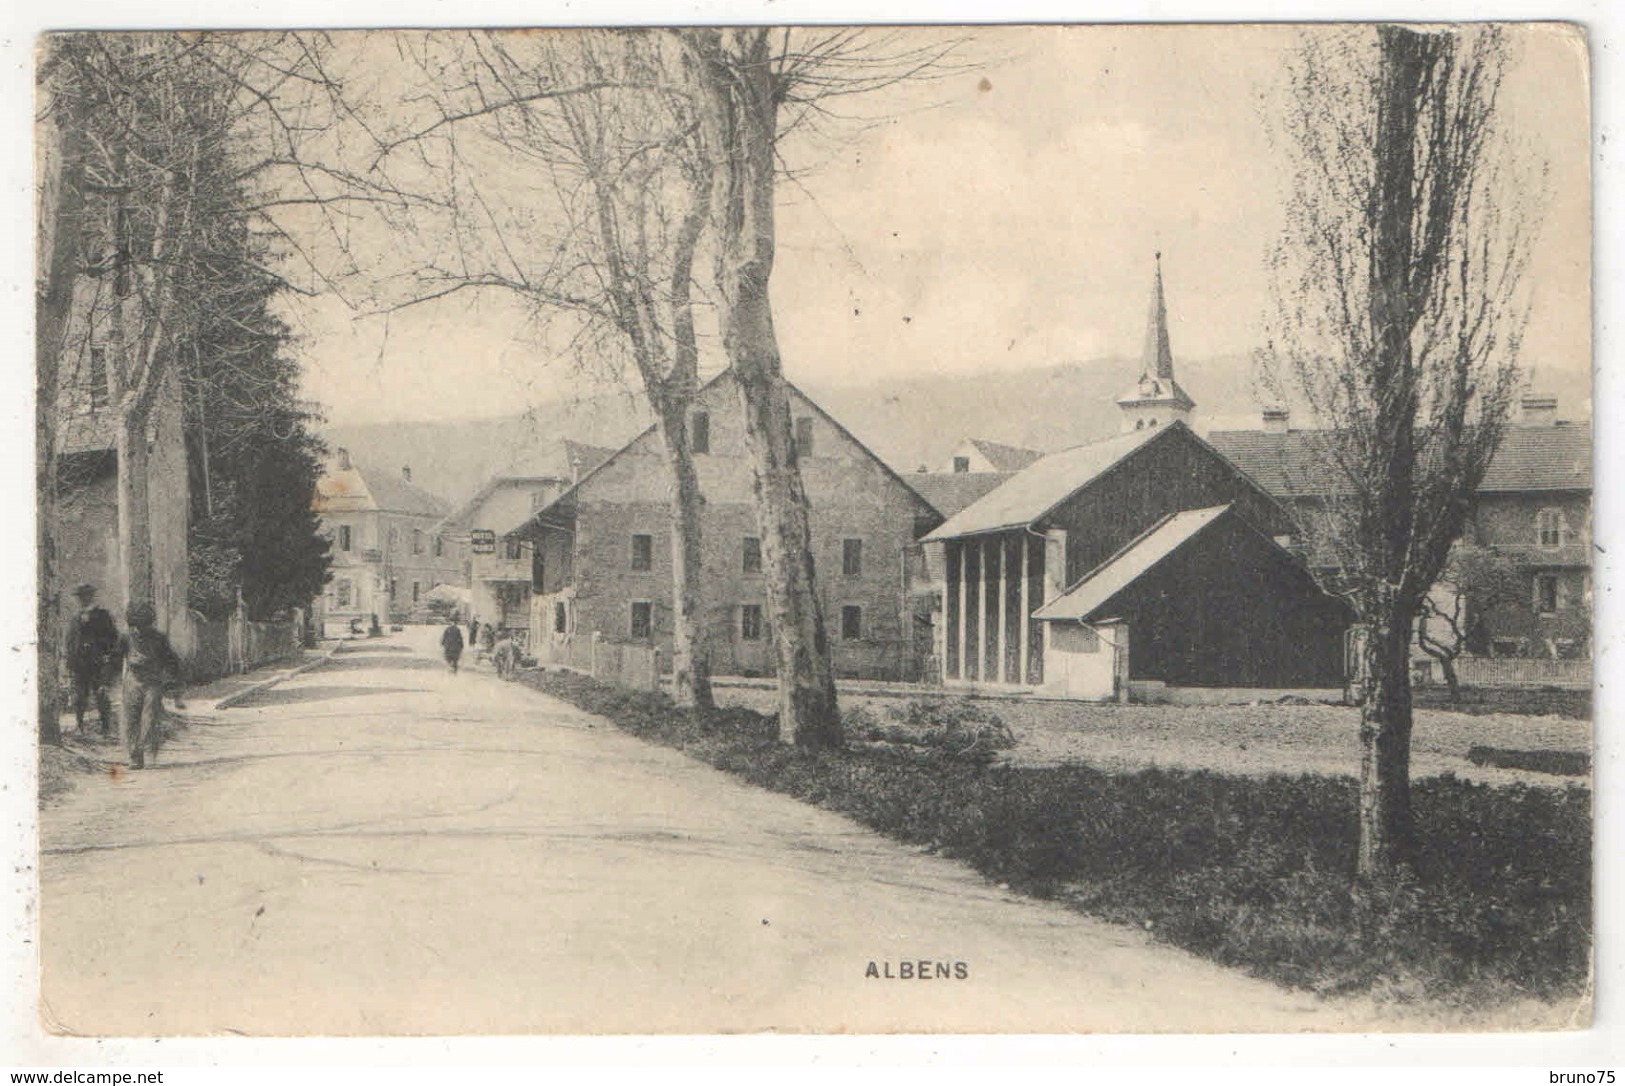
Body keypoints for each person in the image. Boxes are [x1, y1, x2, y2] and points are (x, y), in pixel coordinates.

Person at [120, 601, 184, 770]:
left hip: (152, 682)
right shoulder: (126, 637)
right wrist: (104, 681)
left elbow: (171, 661)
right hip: (132, 681)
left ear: (149, 623)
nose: (140, 630)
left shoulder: (158, 638)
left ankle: (145, 748)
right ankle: (135, 757)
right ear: (132, 623)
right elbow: (114, 658)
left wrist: (172, 683)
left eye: (143, 625)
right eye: (136, 625)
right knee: (131, 719)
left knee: (149, 718)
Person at [65, 583, 120, 736]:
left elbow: (112, 637)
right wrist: (70, 663)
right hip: (79, 664)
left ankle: (106, 727)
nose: (83, 599)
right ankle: (80, 725)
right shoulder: (75, 618)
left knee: (101, 694)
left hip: (98, 662)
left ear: (91, 596)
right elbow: (70, 641)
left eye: (86, 595)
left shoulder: (103, 615)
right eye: (80, 597)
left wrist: (104, 653)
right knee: (80, 696)